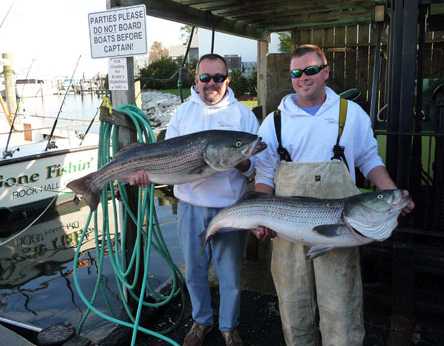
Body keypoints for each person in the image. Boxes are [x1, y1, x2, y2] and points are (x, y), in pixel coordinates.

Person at [253, 44, 414, 346]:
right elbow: (264, 175)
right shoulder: (274, 121)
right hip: (288, 232)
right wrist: (260, 218)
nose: (304, 77)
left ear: (325, 72)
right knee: (294, 309)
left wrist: (390, 194)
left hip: (340, 231)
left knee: (341, 312)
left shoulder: (350, 114)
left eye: (311, 70)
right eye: (296, 72)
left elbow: (369, 159)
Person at [131, 53, 260, 346]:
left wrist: (239, 161)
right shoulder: (181, 114)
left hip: (231, 208)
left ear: (227, 80)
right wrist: (145, 176)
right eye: (205, 77)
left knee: (230, 276)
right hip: (190, 205)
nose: (211, 84)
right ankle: (201, 320)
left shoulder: (243, 116)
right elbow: (164, 161)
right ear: (196, 80)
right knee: (194, 272)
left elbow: (256, 167)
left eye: (218, 78)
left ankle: (229, 326)